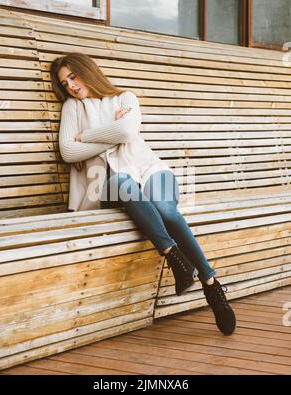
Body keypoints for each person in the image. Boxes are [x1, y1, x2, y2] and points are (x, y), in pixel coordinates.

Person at [50, 52, 236, 336]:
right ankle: (174, 256)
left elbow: (125, 133)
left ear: (88, 71)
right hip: (109, 182)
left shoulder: (125, 98)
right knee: (125, 183)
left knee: (166, 209)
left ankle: (210, 283)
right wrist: (112, 133)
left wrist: (86, 136)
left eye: (73, 77)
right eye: (64, 83)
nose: (71, 86)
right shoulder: (73, 108)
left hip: (151, 169)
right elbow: (68, 151)